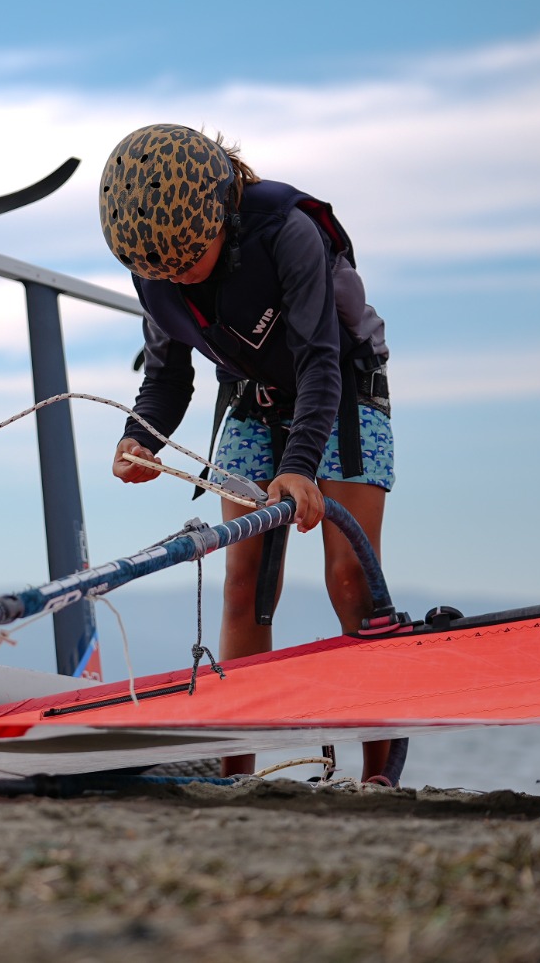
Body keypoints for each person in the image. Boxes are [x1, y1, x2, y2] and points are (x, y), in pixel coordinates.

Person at [99, 123, 397, 783]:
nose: (177, 276)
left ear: (219, 216)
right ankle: (235, 768)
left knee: (350, 577)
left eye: (186, 260)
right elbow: (168, 376)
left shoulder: (287, 233)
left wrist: (299, 468)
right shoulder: (154, 271)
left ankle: (378, 774)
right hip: (252, 399)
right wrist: (139, 438)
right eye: (161, 269)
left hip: (342, 389)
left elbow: (321, 358)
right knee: (245, 582)